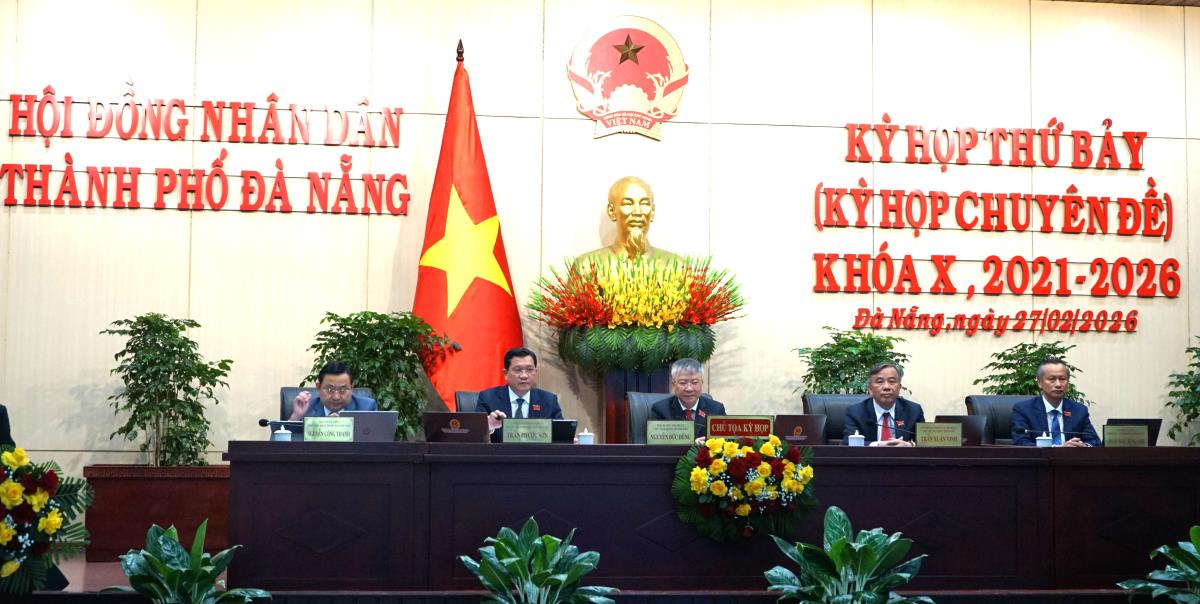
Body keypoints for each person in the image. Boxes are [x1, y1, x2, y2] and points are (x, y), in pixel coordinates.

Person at [581, 176, 679, 262]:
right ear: (611, 211)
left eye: (644, 203)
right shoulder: (586, 266)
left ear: (652, 211)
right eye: (627, 203)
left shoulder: (678, 267)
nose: (637, 212)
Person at [475, 347, 563, 442]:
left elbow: (562, 435)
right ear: (505, 373)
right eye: (518, 370)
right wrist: (489, 425)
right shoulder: (488, 398)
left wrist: (568, 438)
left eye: (529, 370)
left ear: (535, 372)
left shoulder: (549, 400)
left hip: (537, 451)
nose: (524, 376)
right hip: (500, 451)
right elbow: (474, 435)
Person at [1011, 358, 1100, 447]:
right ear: (1039, 383)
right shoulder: (1024, 409)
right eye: (1052, 379)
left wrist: (1083, 446)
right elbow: (1021, 442)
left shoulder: (1079, 410)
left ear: (1068, 383)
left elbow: (1095, 442)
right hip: (1040, 456)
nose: (1058, 384)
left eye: (1062, 379)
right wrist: (1057, 449)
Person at [843, 363, 924, 446]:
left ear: (899, 387)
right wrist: (878, 445)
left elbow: (924, 443)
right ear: (870, 389)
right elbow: (848, 443)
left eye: (892, 381)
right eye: (880, 382)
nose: (886, 387)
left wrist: (909, 445)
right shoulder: (856, 412)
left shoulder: (914, 411)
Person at [650, 358, 727, 442]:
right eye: (683, 383)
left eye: (695, 382)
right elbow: (657, 444)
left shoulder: (716, 409)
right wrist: (692, 444)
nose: (689, 388)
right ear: (673, 384)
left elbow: (727, 441)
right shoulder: (661, 410)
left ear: (702, 383)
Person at [289, 361, 378, 419]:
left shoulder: (366, 408)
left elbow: (375, 440)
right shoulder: (306, 408)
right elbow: (288, 441)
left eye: (342, 390)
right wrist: (295, 417)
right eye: (329, 389)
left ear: (351, 388)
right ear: (318, 387)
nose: (336, 397)